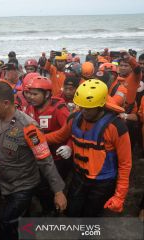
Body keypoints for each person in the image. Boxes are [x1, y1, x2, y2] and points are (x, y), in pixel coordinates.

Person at [0, 82, 66, 240]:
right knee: (23, 219)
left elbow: (46, 160)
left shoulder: (29, 127)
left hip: (23, 186)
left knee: (6, 222)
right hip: (6, 184)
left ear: (6, 104)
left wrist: (58, 191)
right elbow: (0, 140)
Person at [46, 79, 132, 217]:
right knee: (72, 213)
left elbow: (125, 164)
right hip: (79, 177)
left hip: (103, 183)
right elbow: (59, 136)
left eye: (88, 107)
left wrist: (119, 196)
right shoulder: (75, 119)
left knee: (91, 217)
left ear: (100, 106)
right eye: (81, 106)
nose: (83, 111)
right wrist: (37, 140)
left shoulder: (116, 127)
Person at [25, 76, 72, 215]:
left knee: (57, 185)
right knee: (42, 186)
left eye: (35, 94)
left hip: (57, 158)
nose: (31, 97)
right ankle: (48, 208)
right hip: (39, 157)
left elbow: (71, 130)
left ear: (46, 94)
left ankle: (57, 209)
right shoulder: (29, 108)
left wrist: (69, 146)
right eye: (29, 93)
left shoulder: (59, 109)